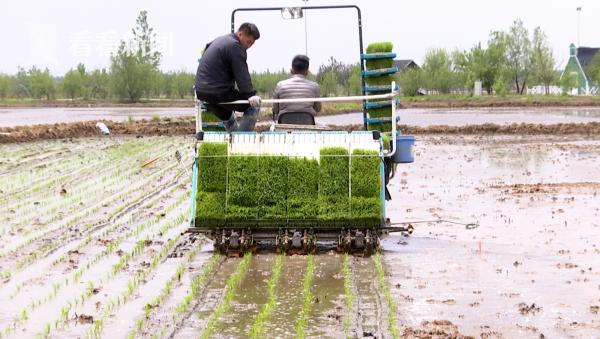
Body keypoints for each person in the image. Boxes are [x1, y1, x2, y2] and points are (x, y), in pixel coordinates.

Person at [194, 23, 262, 132]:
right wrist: (250, 94)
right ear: (240, 34)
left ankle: (233, 139)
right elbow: (241, 72)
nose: (249, 46)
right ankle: (241, 143)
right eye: (248, 42)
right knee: (253, 105)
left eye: (252, 44)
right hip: (218, 92)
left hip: (202, 92)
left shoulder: (218, 41)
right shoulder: (235, 46)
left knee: (228, 115)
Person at [272, 55, 321, 125]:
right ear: (307, 72)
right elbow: (318, 108)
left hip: (284, 124)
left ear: (291, 70)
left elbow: (275, 109)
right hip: (307, 124)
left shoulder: (280, 85)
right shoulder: (314, 86)